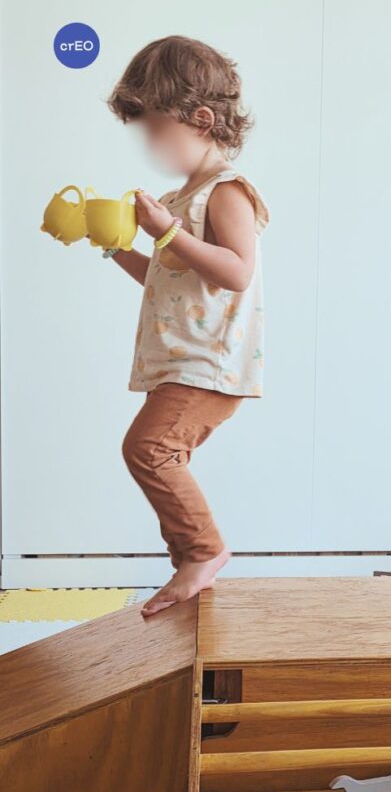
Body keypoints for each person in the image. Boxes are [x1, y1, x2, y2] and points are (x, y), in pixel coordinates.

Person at [106, 36, 268, 616]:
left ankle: (203, 551)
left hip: (209, 361)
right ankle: (191, 565)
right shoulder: (182, 196)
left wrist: (167, 231)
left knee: (148, 450)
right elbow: (168, 277)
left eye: (155, 127)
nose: (148, 143)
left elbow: (237, 272)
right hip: (184, 358)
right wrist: (117, 247)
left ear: (201, 119)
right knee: (154, 452)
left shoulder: (226, 191)